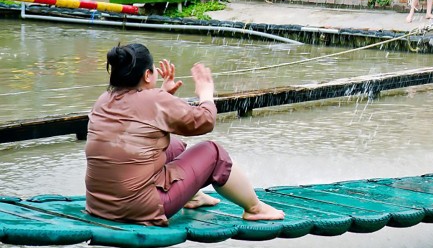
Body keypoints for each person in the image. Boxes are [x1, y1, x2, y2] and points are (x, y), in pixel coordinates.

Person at [85, 43, 284, 226]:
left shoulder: (104, 99)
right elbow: (205, 121)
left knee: (176, 147)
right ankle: (255, 208)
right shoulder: (154, 100)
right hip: (140, 209)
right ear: (147, 75)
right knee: (214, 153)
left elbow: (139, 122)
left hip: (99, 205)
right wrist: (206, 93)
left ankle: (193, 197)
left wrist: (164, 93)